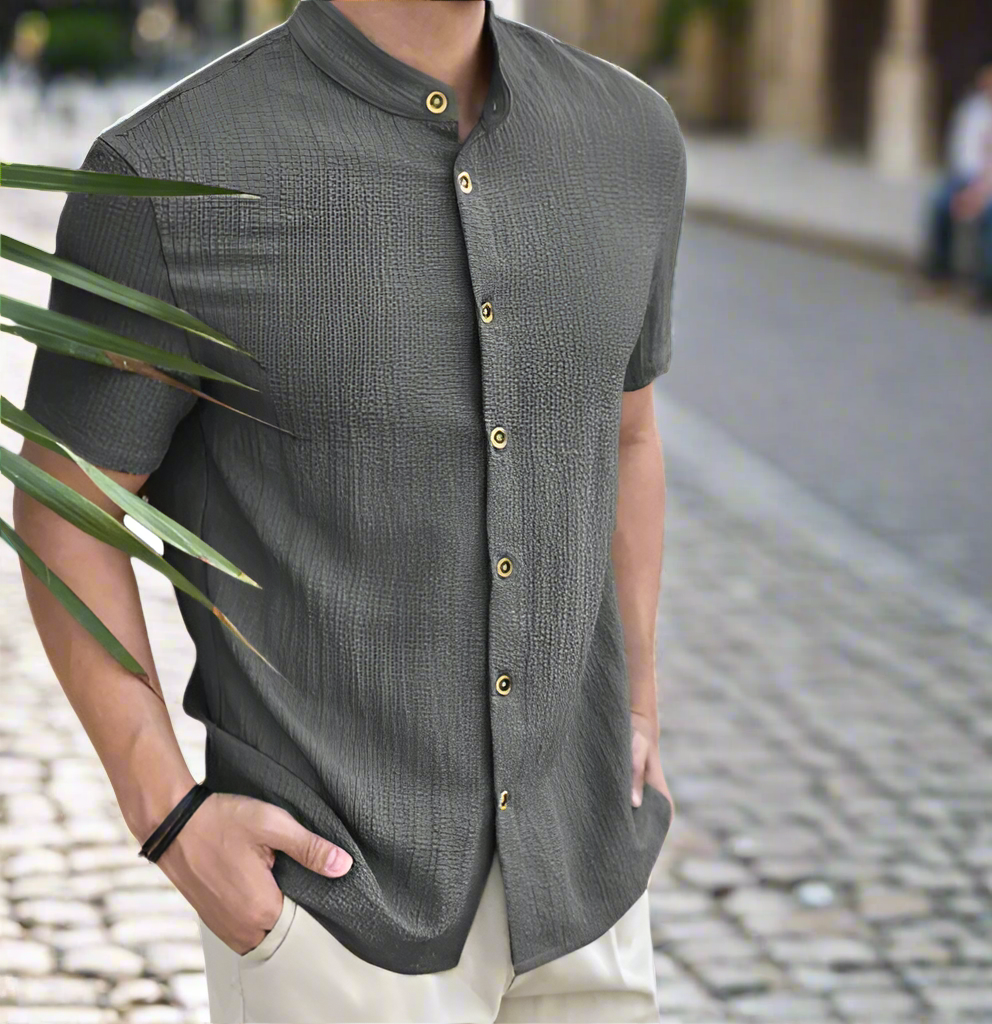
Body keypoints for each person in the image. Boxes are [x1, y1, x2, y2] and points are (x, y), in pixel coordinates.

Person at [12, 1, 685, 1021]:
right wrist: (168, 816)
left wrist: (636, 707)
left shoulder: (630, 137)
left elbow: (627, 434)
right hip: (333, 922)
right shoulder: (168, 175)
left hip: (589, 891)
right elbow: (66, 507)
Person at [921, 57, 992, 310]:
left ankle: (990, 290)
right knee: (942, 203)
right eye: (991, 85)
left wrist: (985, 194)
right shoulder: (975, 110)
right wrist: (974, 189)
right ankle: (938, 275)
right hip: (975, 181)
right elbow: (965, 156)